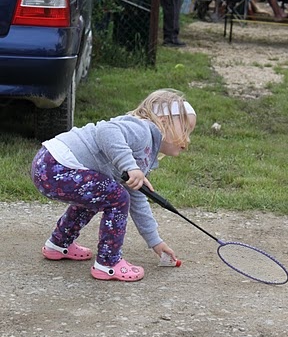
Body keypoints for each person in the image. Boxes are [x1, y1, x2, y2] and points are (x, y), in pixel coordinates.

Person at [31, 89, 197, 282]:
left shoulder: (144, 152)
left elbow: (137, 198)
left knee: (101, 193)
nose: (188, 138)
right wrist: (129, 166)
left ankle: (59, 244)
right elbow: (106, 130)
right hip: (56, 166)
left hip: (49, 166)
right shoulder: (141, 130)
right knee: (117, 197)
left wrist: (155, 241)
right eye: (186, 129)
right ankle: (108, 263)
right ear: (163, 120)